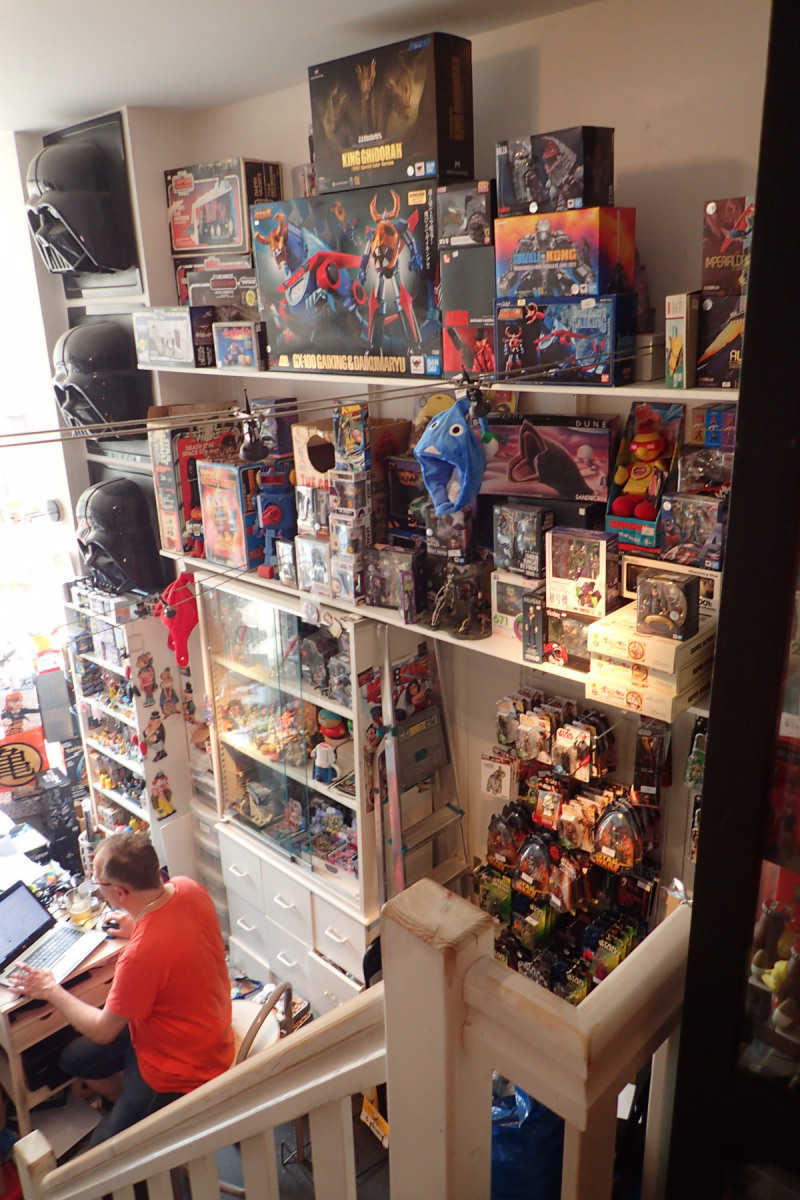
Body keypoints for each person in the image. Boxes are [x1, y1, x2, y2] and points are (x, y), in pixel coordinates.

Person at [8, 833, 234, 1146]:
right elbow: (174, 935)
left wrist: (51, 989)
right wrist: (138, 927)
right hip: (203, 1026)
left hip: (178, 1070)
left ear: (120, 893)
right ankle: (135, 1113)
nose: (95, 886)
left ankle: (145, 1130)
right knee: (72, 1059)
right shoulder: (187, 887)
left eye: (97, 881)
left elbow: (103, 1032)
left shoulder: (140, 955)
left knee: (100, 1153)